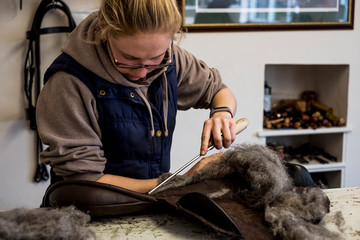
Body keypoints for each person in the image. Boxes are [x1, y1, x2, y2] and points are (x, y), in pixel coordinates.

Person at [36, 0, 237, 193]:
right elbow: (86, 182)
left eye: (154, 59)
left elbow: (219, 91)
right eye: (130, 59)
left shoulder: (171, 58)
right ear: (104, 28)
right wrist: (181, 181)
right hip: (88, 214)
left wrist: (222, 113)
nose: (143, 73)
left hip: (149, 209)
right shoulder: (69, 82)